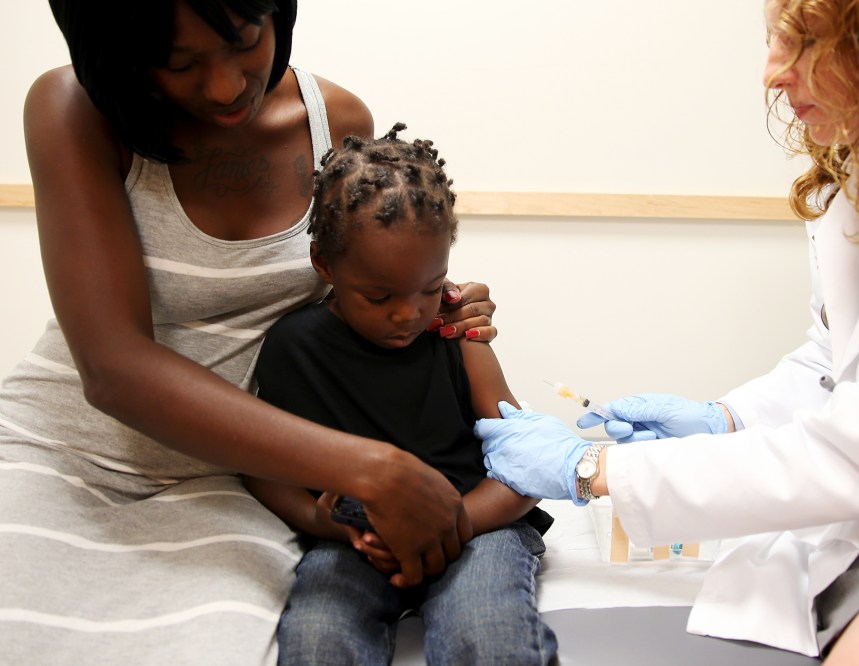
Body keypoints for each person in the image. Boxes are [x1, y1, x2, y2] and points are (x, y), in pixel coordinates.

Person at [475, 0, 859, 663]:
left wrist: (592, 468)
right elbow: (840, 360)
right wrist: (727, 418)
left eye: (806, 42)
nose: (772, 74)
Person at [0, 1, 501, 663]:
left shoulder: (337, 122)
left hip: (238, 481)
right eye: (180, 64)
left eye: (245, 42)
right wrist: (372, 468)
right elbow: (113, 367)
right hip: (60, 458)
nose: (226, 86)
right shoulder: (73, 109)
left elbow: (349, 278)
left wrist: (432, 296)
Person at [243, 125, 558, 665]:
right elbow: (265, 474)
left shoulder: (455, 333)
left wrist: (448, 525)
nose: (410, 312)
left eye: (430, 288)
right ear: (325, 265)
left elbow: (524, 466)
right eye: (380, 295)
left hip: (475, 528)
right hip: (354, 542)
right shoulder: (293, 349)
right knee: (319, 639)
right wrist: (329, 525)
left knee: (488, 634)